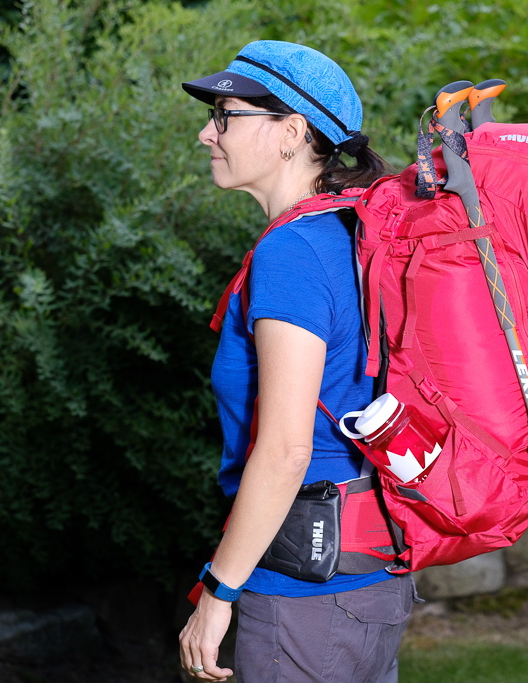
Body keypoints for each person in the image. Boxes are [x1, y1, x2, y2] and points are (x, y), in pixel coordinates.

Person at [177, 41, 416, 683]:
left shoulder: (294, 252)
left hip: (305, 596)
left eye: (226, 115)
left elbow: (286, 449)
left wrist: (217, 593)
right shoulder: (352, 235)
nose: (207, 134)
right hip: (366, 580)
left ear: (290, 131)